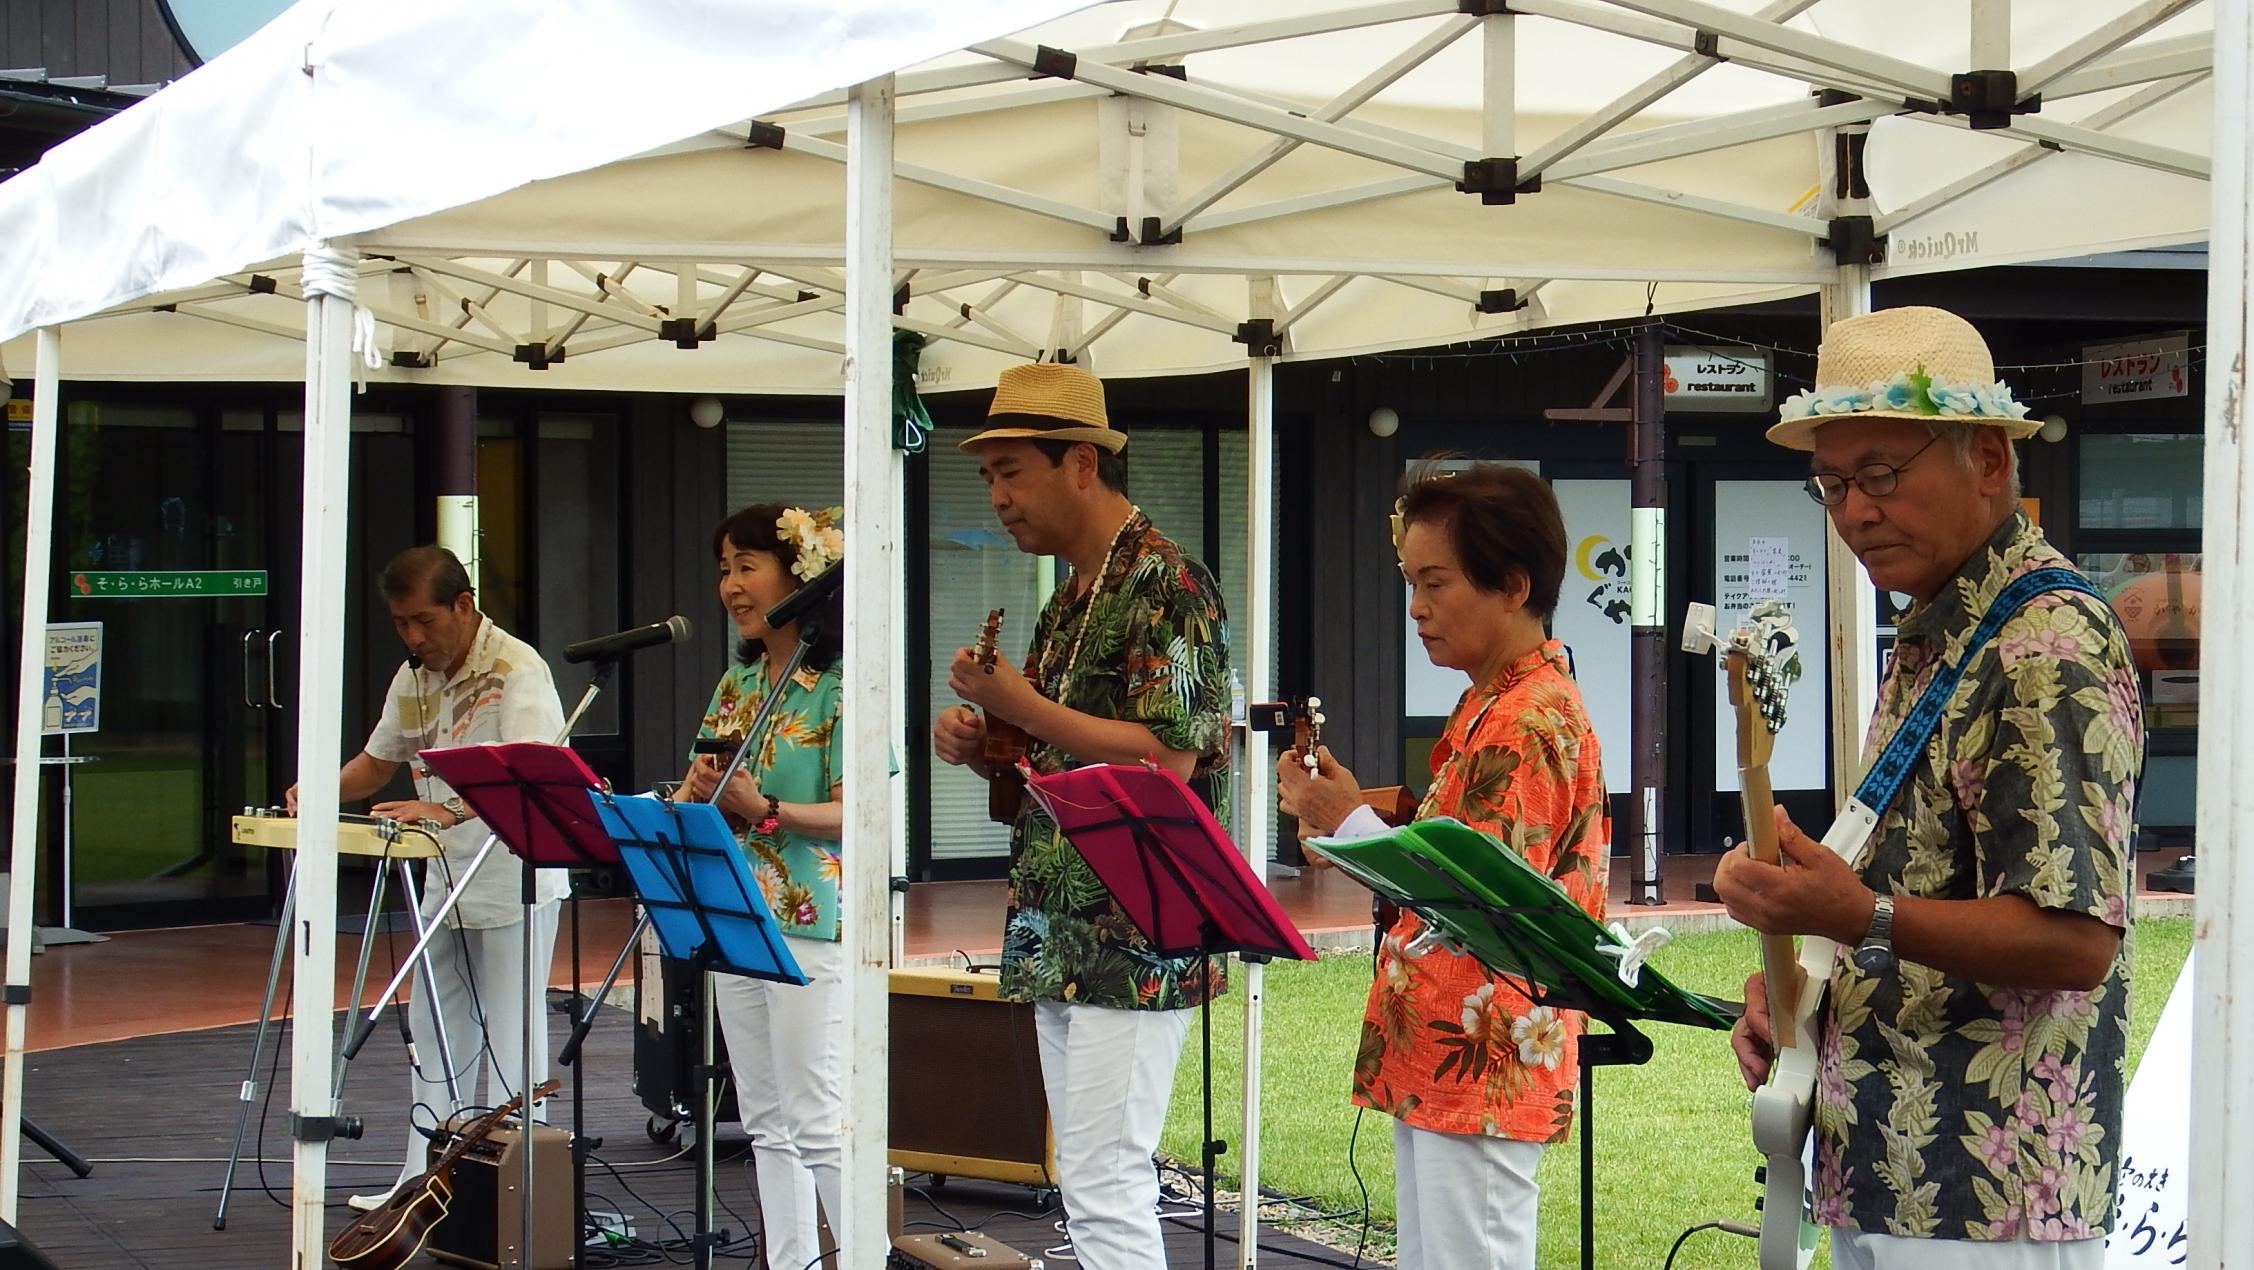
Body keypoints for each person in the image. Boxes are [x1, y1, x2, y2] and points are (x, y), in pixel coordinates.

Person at [1714, 306, 2143, 1270]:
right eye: (1831, 483)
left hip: (1987, 1188)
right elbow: (1919, 895)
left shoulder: (2045, 642)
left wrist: (1857, 913)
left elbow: (2076, 939)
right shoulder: (1941, 628)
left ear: (1988, 459)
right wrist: (1796, 994)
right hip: (1887, 1162)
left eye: (1881, 475)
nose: (1855, 510)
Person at [933, 361, 1232, 1270]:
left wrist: (1023, 710)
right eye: (988, 477)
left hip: (1138, 924)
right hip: (1061, 924)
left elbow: (1171, 756)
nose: (999, 497)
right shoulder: (1070, 592)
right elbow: (1054, 753)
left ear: (1080, 464)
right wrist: (984, 734)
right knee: (1086, 1181)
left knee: (1106, 1177)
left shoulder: (1167, 582)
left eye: (1011, 471)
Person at [1274, 460, 1609, 1270]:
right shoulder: (1495, 699)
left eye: (1436, 582)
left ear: (1513, 585)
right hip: (1447, 1056)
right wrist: (1362, 813)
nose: (1417, 608)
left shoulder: (1527, 718)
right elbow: (1454, 845)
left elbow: (1472, 896)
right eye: (1410, 582)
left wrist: (1340, 819)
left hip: (1484, 1062)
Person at [288, 545, 567, 1210]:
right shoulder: (413, 676)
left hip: (511, 875)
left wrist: (445, 807)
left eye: (424, 621)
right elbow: (376, 761)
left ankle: (513, 1194)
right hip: (444, 877)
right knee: (437, 1031)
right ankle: (424, 1182)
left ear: (463, 606)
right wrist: (317, 793)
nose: (413, 637)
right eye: (400, 624)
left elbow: (531, 768)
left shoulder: (518, 668)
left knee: (510, 1035)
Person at [683, 504, 847, 1270]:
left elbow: (864, 814)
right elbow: (704, 790)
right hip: (734, 911)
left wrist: (767, 809)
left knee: (818, 1118)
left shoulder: (840, 685)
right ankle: (792, 1262)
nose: (731, 586)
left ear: (798, 579)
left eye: (747, 566)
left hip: (813, 919)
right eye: (724, 568)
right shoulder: (740, 680)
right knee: (766, 1121)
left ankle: (863, 1256)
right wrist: (694, 790)